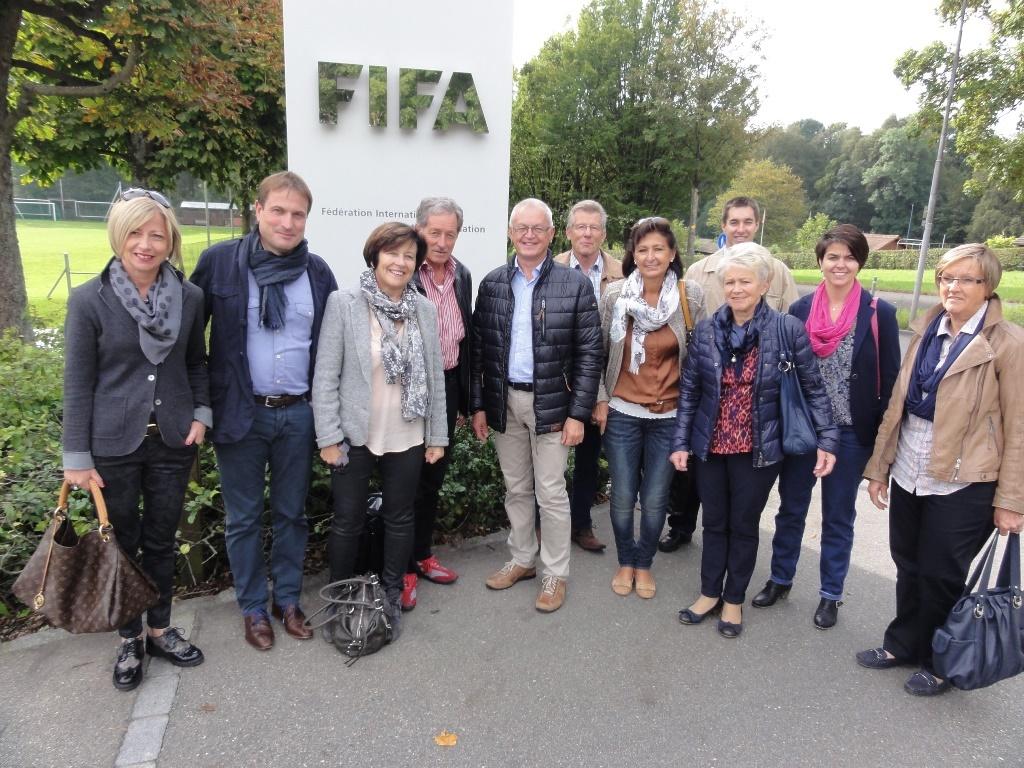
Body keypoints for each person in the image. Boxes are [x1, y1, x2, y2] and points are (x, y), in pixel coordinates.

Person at [858, 243, 1024, 696]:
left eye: (966, 279)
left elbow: (1018, 426)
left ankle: (940, 661)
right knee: (907, 562)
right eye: (947, 278)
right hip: (911, 464)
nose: (953, 287)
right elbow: (899, 404)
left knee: (940, 572)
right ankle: (903, 644)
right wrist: (879, 467)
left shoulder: (1007, 343)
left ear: (988, 287)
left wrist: (1011, 500)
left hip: (967, 478)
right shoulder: (928, 329)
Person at [63, 188, 210, 691]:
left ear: (171, 241)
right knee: (121, 544)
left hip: (172, 440)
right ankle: (129, 637)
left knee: (161, 541)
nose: (146, 245)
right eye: (135, 233)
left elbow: (196, 361)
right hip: (111, 446)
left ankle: (160, 629)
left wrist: (201, 415)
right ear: (118, 235)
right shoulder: (89, 300)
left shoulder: (189, 298)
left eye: (157, 235)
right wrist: (76, 456)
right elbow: (77, 382)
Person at [191, 171, 337, 651]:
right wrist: (199, 404)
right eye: (278, 210)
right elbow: (191, 343)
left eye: (298, 214)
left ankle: (287, 600)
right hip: (241, 413)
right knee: (244, 519)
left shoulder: (317, 273)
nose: (287, 222)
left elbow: (330, 349)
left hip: (298, 414)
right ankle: (253, 606)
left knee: (292, 514)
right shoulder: (219, 264)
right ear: (258, 210)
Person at [670, 243, 838, 638]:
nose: (736, 289)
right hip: (711, 445)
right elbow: (690, 391)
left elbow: (813, 389)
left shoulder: (786, 329)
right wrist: (680, 443)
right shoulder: (707, 329)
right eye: (730, 282)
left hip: (758, 445)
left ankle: (733, 600)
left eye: (745, 281)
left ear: (763, 284)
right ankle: (709, 593)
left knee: (743, 524)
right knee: (714, 522)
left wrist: (828, 440)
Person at [754, 224, 900, 629]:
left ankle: (831, 594)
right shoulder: (800, 311)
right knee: (791, 508)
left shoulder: (879, 314)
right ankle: (780, 578)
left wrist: (883, 449)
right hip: (804, 429)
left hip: (851, 434)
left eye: (849, 257)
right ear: (820, 261)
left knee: (838, 516)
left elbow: (890, 382)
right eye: (833, 256)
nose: (840, 264)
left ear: (860, 262)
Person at [311, 222, 448, 638]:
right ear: (375, 256)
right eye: (392, 253)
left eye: (409, 256)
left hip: (407, 432)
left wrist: (437, 436)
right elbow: (325, 376)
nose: (400, 262)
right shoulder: (345, 303)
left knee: (400, 517)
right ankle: (340, 596)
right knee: (348, 520)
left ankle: (389, 594)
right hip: (354, 434)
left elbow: (436, 376)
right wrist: (328, 437)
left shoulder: (423, 309)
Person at [471, 198, 602, 613]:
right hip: (504, 400)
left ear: (551, 234)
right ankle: (523, 558)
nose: (529, 235)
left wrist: (578, 413)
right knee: (516, 488)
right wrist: (478, 405)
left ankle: (554, 573)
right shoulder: (493, 283)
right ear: (511, 232)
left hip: (553, 405)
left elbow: (590, 354)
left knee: (551, 492)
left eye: (537, 228)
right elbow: (478, 350)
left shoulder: (574, 284)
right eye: (521, 228)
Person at [661, 196, 800, 552]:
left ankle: (732, 544)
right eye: (734, 222)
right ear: (723, 226)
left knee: (739, 497)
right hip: (707, 381)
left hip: (754, 389)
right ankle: (681, 526)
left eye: (747, 222)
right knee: (693, 473)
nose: (741, 228)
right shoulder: (699, 271)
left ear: (757, 225)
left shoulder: (777, 272)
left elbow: (790, 325)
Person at [595, 217, 705, 598]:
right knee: (624, 495)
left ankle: (644, 563)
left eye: (659, 248)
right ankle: (626, 560)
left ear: (672, 253)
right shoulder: (615, 296)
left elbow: (701, 360)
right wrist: (600, 399)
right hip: (623, 412)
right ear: (633, 254)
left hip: (670, 417)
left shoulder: (691, 298)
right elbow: (597, 354)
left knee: (656, 498)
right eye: (642, 249)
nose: (650, 256)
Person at [398, 196, 471, 611]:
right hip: (409, 391)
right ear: (419, 230)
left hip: (448, 387)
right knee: (405, 483)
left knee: (432, 480)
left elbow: (466, 340)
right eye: (434, 233)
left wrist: (465, 402)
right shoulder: (403, 272)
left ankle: (423, 555)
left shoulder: (463, 275)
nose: (442, 242)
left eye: (450, 234)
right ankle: (402, 567)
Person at [554, 199, 623, 553]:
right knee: (550, 460)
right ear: (568, 232)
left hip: (600, 382)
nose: (587, 233)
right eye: (580, 226)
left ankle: (581, 524)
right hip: (555, 379)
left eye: (594, 227)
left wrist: (601, 394)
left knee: (588, 458)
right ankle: (545, 525)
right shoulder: (550, 268)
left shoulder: (622, 274)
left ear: (603, 234)